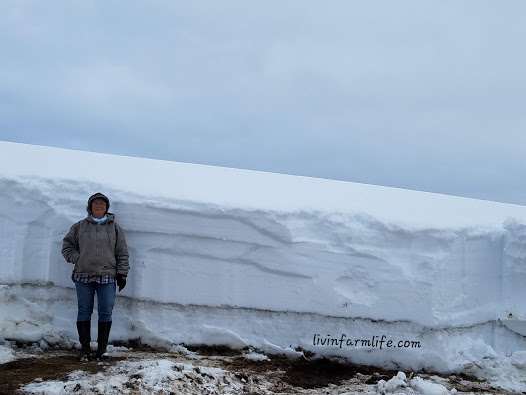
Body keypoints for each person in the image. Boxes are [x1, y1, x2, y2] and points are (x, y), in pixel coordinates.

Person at [62, 192, 129, 362]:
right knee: (84, 310)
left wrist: (122, 273)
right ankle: (85, 350)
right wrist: (79, 259)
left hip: (107, 276)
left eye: (102, 204)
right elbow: (67, 247)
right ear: (90, 207)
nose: (99, 206)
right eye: (96, 203)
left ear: (106, 208)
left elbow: (122, 252)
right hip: (83, 275)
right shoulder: (79, 226)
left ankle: (102, 350)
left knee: (106, 311)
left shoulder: (115, 228)